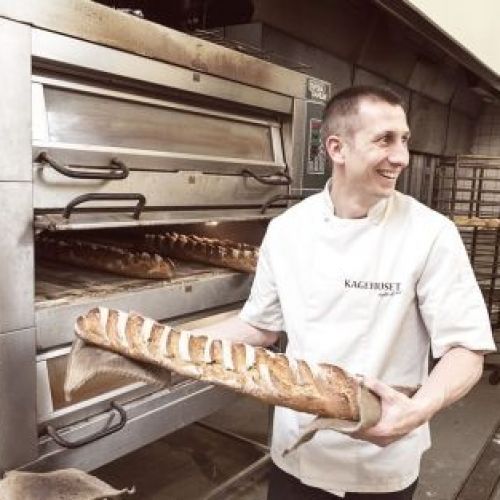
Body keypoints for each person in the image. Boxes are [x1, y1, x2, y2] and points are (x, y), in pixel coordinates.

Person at [195, 86, 496, 498]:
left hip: (379, 459)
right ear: (337, 148)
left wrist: (418, 410)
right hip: (296, 451)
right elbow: (259, 326)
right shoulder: (287, 230)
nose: (402, 157)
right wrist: (166, 344)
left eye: (404, 139)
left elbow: (466, 349)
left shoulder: (430, 233)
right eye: (384, 140)